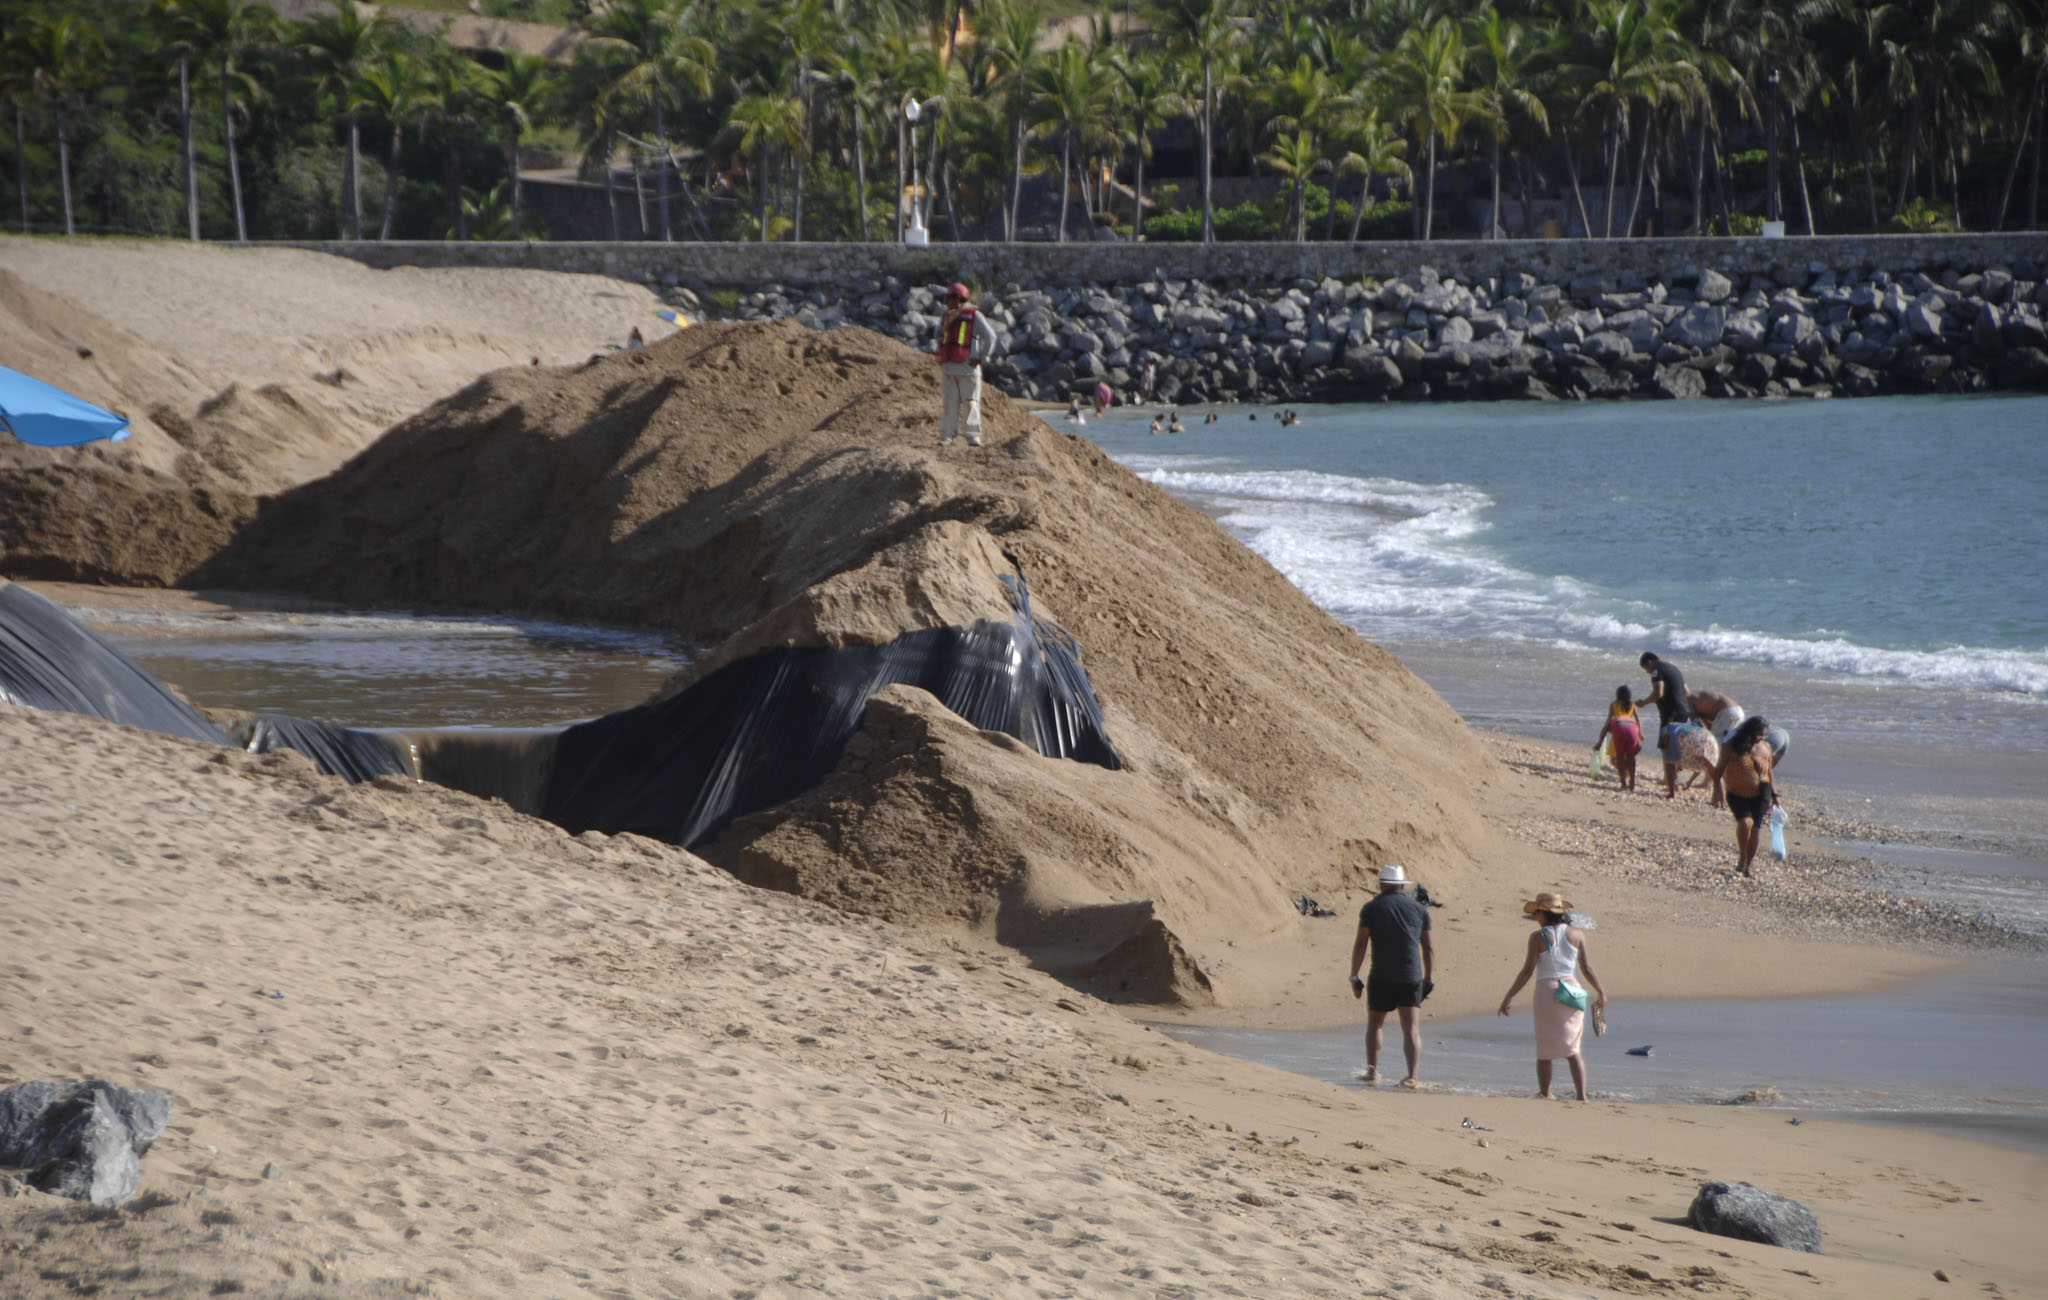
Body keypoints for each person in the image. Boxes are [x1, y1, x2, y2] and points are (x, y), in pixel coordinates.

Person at [1497, 891, 1607, 1101]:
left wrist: (1509, 996)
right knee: (1573, 1048)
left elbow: (1527, 971)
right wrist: (1600, 991)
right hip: (1572, 990)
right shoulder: (1577, 934)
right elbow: (1586, 968)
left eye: (1536, 913)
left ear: (1543, 914)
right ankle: (1582, 1095)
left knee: (1544, 1048)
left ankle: (1546, 1093)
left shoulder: (1537, 937)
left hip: (1547, 990)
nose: (1535, 917)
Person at [1348, 864, 1435, 1089]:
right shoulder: (1419, 909)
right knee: (1411, 1029)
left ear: (1382, 884)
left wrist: (1354, 975)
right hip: (1411, 976)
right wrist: (1428, 979)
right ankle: (1412, 1076)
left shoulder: (1371, 908)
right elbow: (1428, 948)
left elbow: (1361, 944)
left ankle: (1372, 1071)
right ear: (1402, 886)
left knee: (1375, 1025)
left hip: (1381, 975)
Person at [1714, 716, 1780, 877]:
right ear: (1749, 731)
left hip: (1761, 792)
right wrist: (1717, 790)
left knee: (1756, 829)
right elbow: (1719, 769)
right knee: (1744, 823)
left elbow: (1770, 773)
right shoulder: (1731, 745)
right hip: (1736, 791)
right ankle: (1742, 854)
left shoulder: (1766, 747)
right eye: (1759, 734)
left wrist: (1775, 795)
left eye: (1764, 735)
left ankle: (1748, 865)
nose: (1761, 738)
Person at [935, 282, 995, 447]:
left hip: (968, 369)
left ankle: (971, 436)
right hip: (949, 368)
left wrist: (982, 358)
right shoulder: (947, 316)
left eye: (948, 298)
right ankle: (947, 436)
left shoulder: (974, 316)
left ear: (957, 298)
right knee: (951, 404)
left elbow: (990, 337)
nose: (946, 302)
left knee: (970, 403)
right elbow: (938, 334)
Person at [1637, 652, 1693, 799]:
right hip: (1683, 712)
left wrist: (1643, 702)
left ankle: (1671, 784)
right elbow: (1688, 693)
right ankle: (1677, 780)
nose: (1647, 672)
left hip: (1670, 714)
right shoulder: (1673, 668)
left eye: (1646, 669)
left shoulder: (1657, 671)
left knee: (1666, 747)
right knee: (1679, 747)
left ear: (1650, 662)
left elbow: (1658, 693)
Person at [1594, 685, 1642, 792]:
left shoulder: (1613, 705)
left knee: (1618, 757)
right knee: (1630, 756)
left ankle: (1624, 782)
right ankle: (1632, 781)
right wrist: (1640, 735)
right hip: (1632, 729)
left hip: (1619, 730)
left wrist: (1599, 742)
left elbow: (1608, 723)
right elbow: (1638, 720)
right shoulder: (1632, 705)